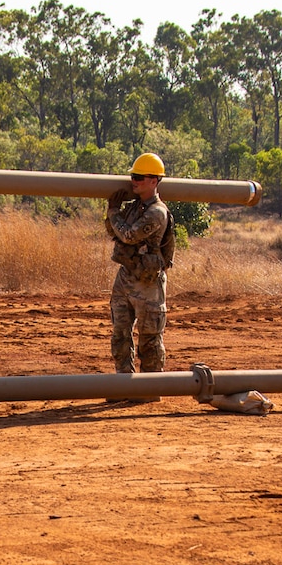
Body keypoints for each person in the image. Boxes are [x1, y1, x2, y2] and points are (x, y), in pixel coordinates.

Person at [106, 152, 175, 394]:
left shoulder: (157, 212)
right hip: (126, 277)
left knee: (149, 339)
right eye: (132, 176)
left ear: (154, 180)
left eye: (139, 177)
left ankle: (150, 389)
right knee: (120, 335)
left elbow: (127, 235)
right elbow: (113, 231)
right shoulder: (135, 207)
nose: (134, 181)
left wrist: (114, 211)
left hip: (147, 283)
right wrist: (114, 214)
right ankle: (125, 385)